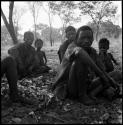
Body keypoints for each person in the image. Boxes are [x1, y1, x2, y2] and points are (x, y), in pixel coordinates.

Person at [52, 26, 121, 105]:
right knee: (81, 60)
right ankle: (83, 96)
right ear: (76, 39)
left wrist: (110, 80)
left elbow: (102, 70)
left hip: (86, 84)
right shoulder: (72, 47)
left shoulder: (93, 51)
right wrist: (102, 76)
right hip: (69, 88)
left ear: (92, 39)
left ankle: (92, 93)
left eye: (89, 38)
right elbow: (79, 52)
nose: (86, 41)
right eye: (83, 38)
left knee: (116, 74)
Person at [1, 31, 39, 104]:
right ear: (24, 39)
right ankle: (14, 93)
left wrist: (31, 67)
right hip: (17, 68)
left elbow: (35, 60)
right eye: (28, 39)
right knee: (10, 60)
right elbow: (11, 50)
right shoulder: (20, 45)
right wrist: (19, 62)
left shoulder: (32, 49)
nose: (30, 40)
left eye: (32, 39)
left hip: (26, 70)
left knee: (41, 68)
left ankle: (15, 91)